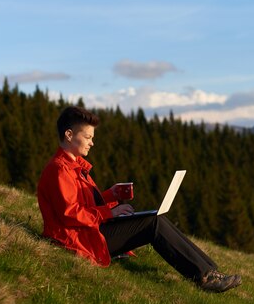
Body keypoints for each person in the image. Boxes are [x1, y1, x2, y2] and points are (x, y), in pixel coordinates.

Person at [37, 106, 241, 293]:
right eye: (88, 136)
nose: (92, 142)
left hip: (89, 232)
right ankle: (205, 277)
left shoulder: (75, 167)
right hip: (79, 239)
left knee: (155, 218)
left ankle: (210, 271)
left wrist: (111, 195)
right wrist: (110, 212)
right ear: (69, 135)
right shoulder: (59, 169)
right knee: (153, 222)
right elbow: (70, 214)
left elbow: (84, 204)